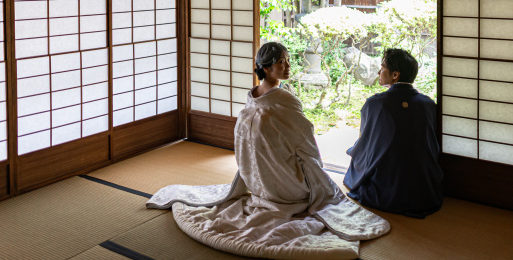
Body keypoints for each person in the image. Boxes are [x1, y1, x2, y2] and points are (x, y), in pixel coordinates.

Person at [147, 42, 390, 259]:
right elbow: (306, 144)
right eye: (280, 62)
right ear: (266, 67)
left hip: (256, 181)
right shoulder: (285, 100)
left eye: (287, 60)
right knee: (317, 178)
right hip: (285, 188)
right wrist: (315, 170)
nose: (287, 66)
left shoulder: (253, 97)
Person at [343, 48, 444, 218]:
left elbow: (366, 143)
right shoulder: (428, 104)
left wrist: (354, 151)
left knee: (359, 154)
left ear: (395, 75)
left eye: (382, 67)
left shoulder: (375, 103)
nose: (379, 71)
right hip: (423, 192)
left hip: (383, 190)